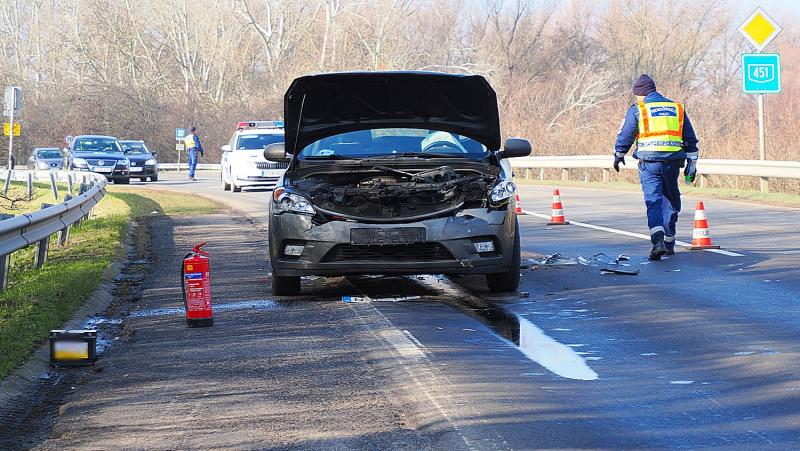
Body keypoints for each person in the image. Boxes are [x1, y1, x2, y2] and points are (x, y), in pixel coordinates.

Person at [613, 74, 699, 260]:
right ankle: (669, 242)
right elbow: (690, 138)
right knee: (670, 200)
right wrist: (692, 162)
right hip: (672, 164)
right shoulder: (676, 108)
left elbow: (626, 135)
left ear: (641, 94)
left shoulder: (639, 109)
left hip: (649, 164)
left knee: (653, 201)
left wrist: (619, 155)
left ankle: (657, 241)